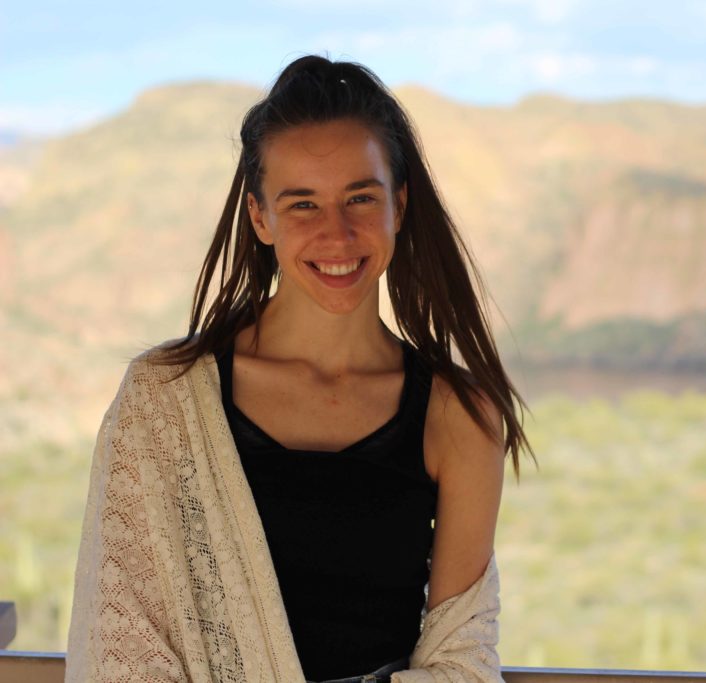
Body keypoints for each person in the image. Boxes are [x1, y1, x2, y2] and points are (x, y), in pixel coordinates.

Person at [65, 55, 530, 683]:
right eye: (303, 204)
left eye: (360, 198)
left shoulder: (460, 416)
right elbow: (122, 645)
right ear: (261, 218)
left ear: (399, 203)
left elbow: (462, 663)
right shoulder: (164, 399)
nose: (337, 234)